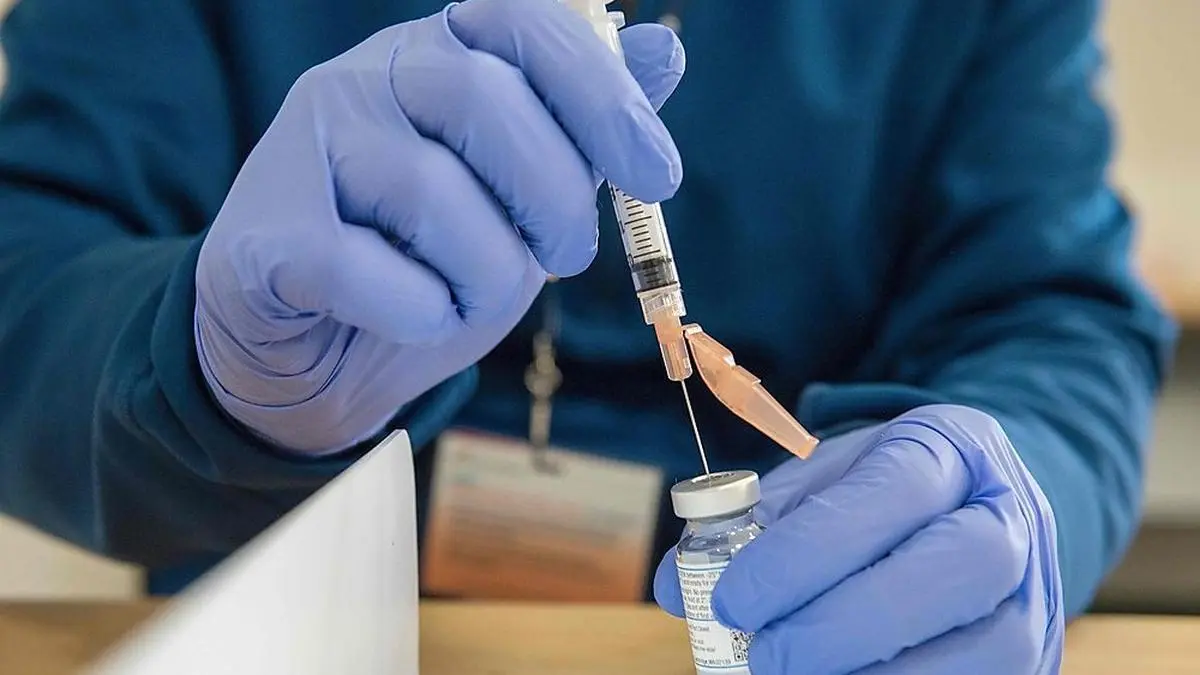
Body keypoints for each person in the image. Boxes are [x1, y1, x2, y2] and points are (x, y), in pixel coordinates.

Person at [0, 0, 1176, 671]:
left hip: (790, 635)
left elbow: (1048, 314)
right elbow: (26, 268)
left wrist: (1007, 488)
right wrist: (207, 367)